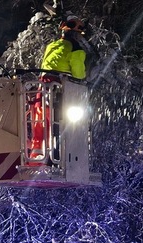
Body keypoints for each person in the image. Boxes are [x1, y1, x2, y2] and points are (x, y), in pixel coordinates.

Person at [28, 15, 87, 162]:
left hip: (43, 89)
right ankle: (55, 158)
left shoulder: (52, 46)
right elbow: (79, 73)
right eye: (75, 27)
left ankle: (38, 158)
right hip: (59, 90)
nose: (77, 32)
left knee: (40, 123)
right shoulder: (76, 48)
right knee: (60, 124)